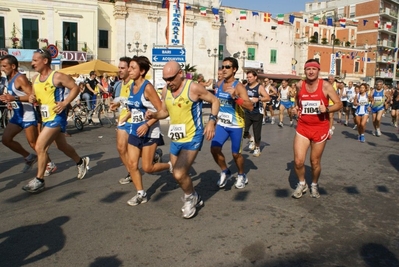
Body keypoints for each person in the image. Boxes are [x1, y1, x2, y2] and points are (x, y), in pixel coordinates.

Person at [145, 60, 220, 219]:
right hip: (176, 137)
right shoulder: (166, 90)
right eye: (166, 79)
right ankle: (194, 195)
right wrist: (154, 115)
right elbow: (165, 112)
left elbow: (215, 100)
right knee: (175, 172)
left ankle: (189, 198)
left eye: (171, 78)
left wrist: (212, 121)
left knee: (179, 173)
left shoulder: (193, 87)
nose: (168, 82)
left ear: (180, 73)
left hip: (192, 136)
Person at [24, 49, 89, 193]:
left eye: (35, 60)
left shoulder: (57, 76)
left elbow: (75, 88)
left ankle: (39, 180)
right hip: (45, 117)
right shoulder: (35, 79)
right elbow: (34, 95)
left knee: (40, 146)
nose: (32, 63)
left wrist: (65, 103)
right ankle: (80, 161)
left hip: (57, 117)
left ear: (45, 61)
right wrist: (32, 98)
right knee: (62, 146)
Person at [120, 56, 172, 206]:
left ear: (142, 71)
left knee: (148, 167)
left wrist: (147, 124)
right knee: (132, 163)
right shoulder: (132, 86)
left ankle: (170, 166)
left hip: (149, 131)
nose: (129, 70)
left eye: (133, 68)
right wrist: (126, 115)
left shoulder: (147, 88)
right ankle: (141, 194)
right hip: (135, 130)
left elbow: (162, 111)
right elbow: (136, 107)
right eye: (129, 67)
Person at [291, 59, 342, 199]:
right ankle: (302, 184)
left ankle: (314, 184)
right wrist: (296, 108)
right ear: (305, 71)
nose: (311, 71)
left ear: (318, 71)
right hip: (303, 127)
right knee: (298, 161)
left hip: (320, 128)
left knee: (314, 162)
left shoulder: (325, 86)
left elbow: (339, 104)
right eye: (308, 69)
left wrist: (327, 108)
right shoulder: (300, 85)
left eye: (314, 69)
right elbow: (297, 99)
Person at [210, 57, 253, 189]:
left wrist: (235, 97)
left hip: (236, 125)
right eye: (223, 67)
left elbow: (250, 106)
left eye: (227, 67)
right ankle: (225, 171)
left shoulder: (238, 86)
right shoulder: (219, 84)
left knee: (236, 154)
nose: (224, 69)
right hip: (222, 124)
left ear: (234, 69)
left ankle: (241, 175)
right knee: (214, 149)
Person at [0, 55, 40, 172]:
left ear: (13, 66)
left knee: (34, 144)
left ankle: (49, 164)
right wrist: (8, 101)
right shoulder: (9, 79)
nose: (2, 68)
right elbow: (15, 97)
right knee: (6, 140)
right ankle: (29, 157)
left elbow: (33, 97)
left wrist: (14, 98)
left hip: (28, 116)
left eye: (4, 66)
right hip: (17, 116)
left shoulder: (20, 78)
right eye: (1, 66)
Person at [110, 57, 134, 185]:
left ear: (129, 69)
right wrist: (117, 105)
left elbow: (137, 104)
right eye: (119, 68)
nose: (119, 70)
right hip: (124, 119)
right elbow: (125, 101)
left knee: (135, 149)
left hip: (134, 119)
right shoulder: (121, 84)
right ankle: (131, 173)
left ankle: (154, 155)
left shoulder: (134, 84)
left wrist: (128, 115)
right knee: (121, 148)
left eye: (122, 68)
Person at [243, 70, 270, 157]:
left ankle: (257, 148)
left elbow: (267, 98)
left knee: (257, 132)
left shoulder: (259, 87)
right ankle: (251, 139)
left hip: (257, 113)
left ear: (255, 77)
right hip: (247, 112)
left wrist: (258, 99)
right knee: (244, 130)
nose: (248, 79)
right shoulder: (245, 87)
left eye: (250, 77)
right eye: (247, 77)